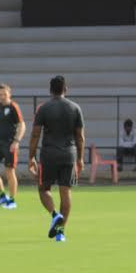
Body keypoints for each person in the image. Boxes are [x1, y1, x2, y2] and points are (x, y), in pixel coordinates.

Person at [27, 75, 85, 242]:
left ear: (50, 90)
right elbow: (80, 137)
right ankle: (61, 233)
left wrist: (31, 157)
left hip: (49, 155)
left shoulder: (43, 109)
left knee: (43, 189)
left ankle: (55, 214)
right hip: (69, 155)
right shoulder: (75, 108)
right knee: (65, 191)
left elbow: (35, 134)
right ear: (65, 89)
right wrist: (80, 159)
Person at [0, 83, 25, 209]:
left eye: (4, 94)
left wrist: (16, 141)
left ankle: (12, 201)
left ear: (9, 94)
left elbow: (22, 125)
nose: (2, 97)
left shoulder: (14, 107)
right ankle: (2, 196)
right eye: (0, 94)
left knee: (9, 171)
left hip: (10, 142)